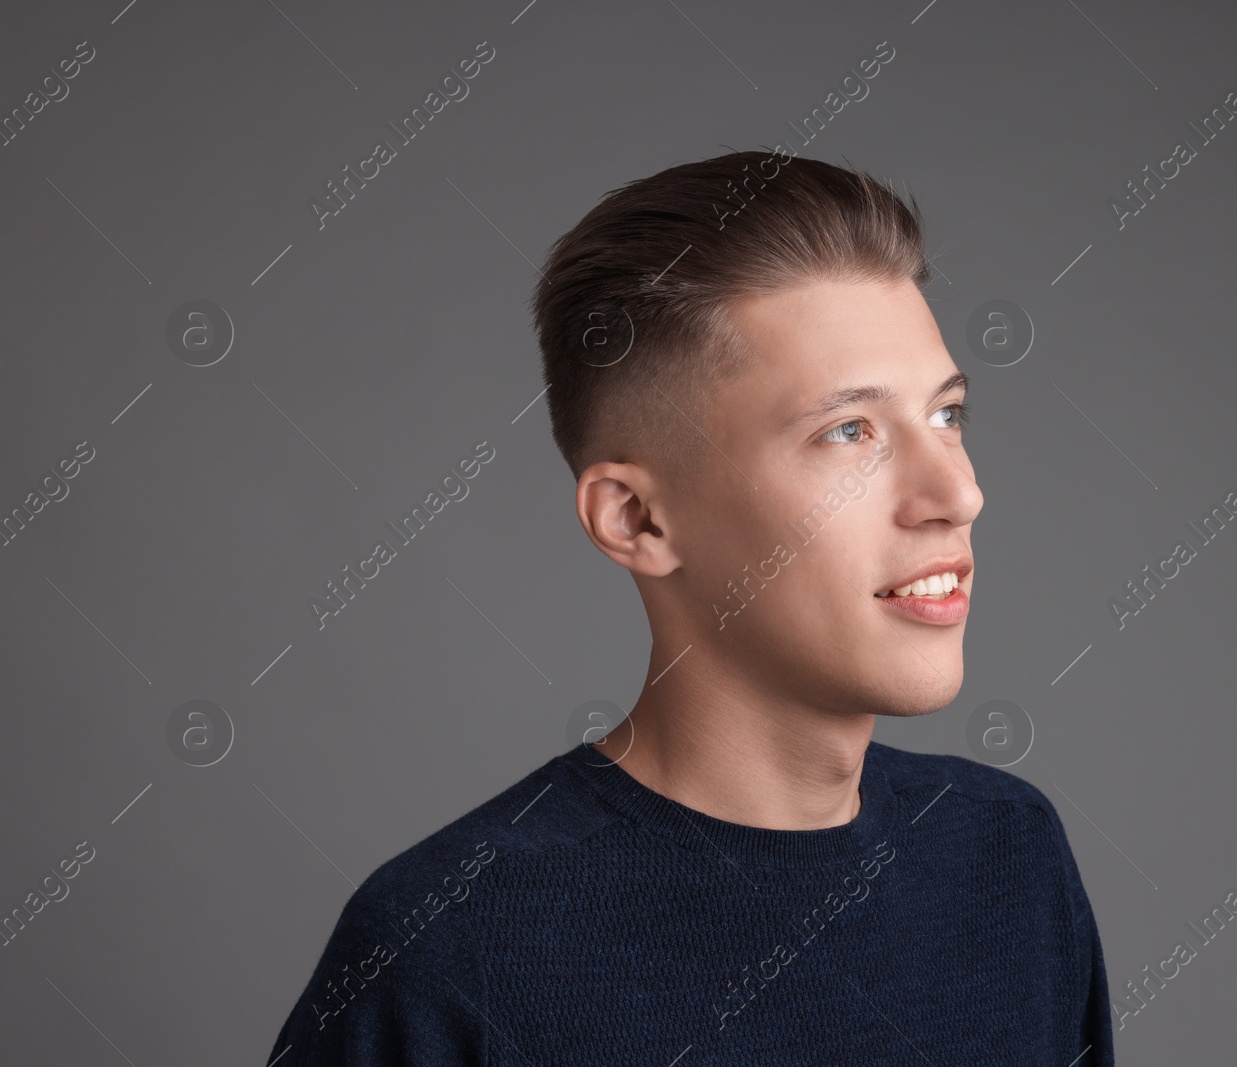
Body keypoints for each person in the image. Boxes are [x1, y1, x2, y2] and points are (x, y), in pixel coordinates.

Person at [265, 149, 1114, 1065]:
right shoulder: (446, 952)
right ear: (637, 518)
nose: (957, 492)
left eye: (947, 414)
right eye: (848, 432)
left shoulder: (1008, 859)